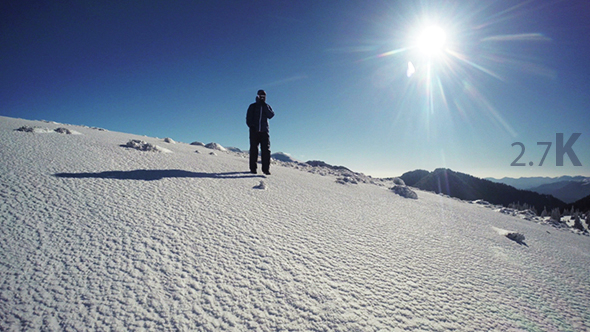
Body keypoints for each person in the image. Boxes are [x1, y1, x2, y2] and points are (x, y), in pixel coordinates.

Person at [246, 89, 275, 175]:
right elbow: (248, 118)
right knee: (254, 150)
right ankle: (253, 168)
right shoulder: (253, 106)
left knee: (266, 150)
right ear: (257, 96)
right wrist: (251, 127)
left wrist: (264, 106)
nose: (262, 98)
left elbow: (271, 115)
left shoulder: (267, 106)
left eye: (264, 96)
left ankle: (266, 169)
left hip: (264, 131)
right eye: (260, 96)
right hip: (254, 131)